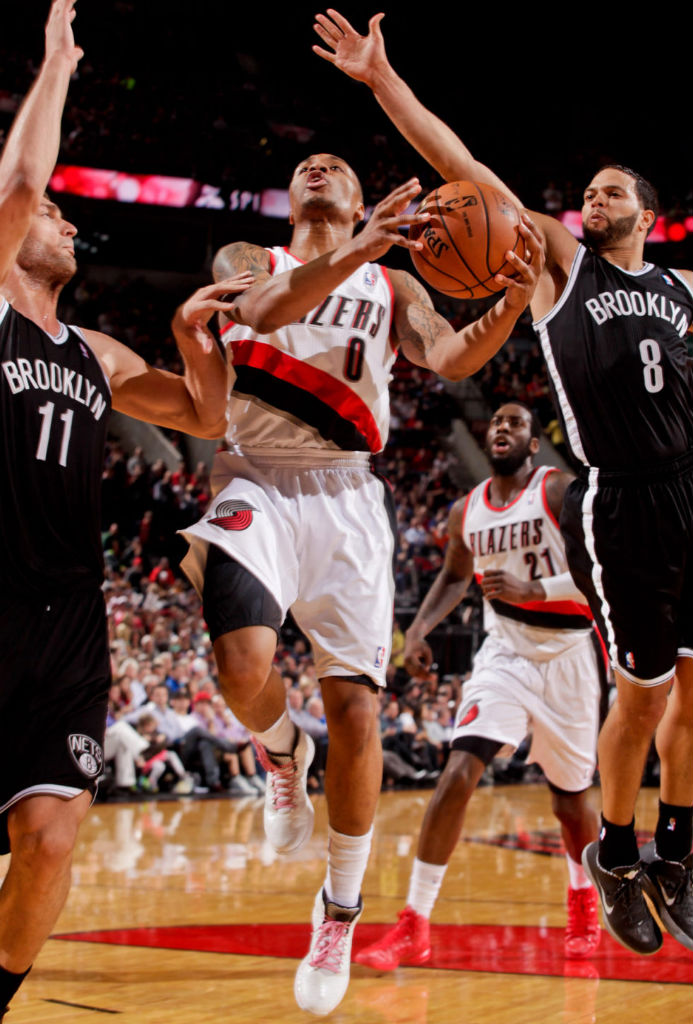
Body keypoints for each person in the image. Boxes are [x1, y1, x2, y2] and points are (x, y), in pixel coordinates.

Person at [314, 8, 693, 958]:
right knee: (641, 694)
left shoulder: (684, 291)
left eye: (610, 193)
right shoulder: (562, 268)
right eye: (589, 192)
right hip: (624, 497)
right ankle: (615, 854)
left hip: (690, 489)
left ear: (645, 212)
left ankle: (679, 852)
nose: (591, 200)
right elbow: (464, 169)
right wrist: (382, 83)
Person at [180, 147, 543, 1011]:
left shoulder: (394, 286)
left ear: (353, 195)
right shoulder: (249, 259)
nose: (317, 167)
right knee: (238, 666)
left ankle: (339, 910)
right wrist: (362, 245)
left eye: (334, 164)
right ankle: (279, 749)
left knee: (353, 710)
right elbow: (265, 312)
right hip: (254, 477)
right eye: (306, 163)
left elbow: (452, 357)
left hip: (346, 492)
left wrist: (514, 300)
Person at [0, 3, 253, 1017]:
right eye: (58, 215)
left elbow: (203, 412)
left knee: (52, 835)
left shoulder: (93, 355)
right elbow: (21, 183)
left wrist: (201, 340)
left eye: (68, 218)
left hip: (67, 618)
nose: (65, 221)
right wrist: (57, 62)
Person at [355, 403, 603, 969]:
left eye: (515, 423)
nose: (501, 428)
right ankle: (414, 922)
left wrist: (533, 588)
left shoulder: (558, 491)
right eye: (494, 422)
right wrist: (416, 632)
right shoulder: (465, 511)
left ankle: (582, 897)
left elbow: (599, 577)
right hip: (505, 653)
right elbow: (452, 576)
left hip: (569, 655)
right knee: (459, 770)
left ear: (533, 443)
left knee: (570, 804)